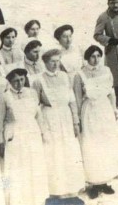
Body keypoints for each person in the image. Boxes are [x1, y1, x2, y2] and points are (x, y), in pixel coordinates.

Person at [31, 49, 86, 199]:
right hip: (49, 118)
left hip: (65, 118)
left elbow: (72, 100)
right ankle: (55, 191)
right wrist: (41, 128)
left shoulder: (64, 77)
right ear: (45, 62)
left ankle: (70, 190)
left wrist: (75, 121)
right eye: (51, 61)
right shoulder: (38, 81)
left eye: (57, 61)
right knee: (53, 153)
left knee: (68, 151)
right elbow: (35, 106)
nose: (55, 64)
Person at [0, 68, 49, 205]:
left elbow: (38, 115)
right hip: (14, 135)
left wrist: (43, 133)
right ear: (10, 82)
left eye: (21, 79)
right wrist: (0, 143)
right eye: (15, 81)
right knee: (15, 168)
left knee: (33, 166)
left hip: (32, 133)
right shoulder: (4, 97)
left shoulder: (32, 93)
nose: (19, 83)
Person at [73, 45, 118, 198]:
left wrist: (114, 109)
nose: (96, 59)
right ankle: (92, 183)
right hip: (90, 112)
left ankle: (104, 181)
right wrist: (77, 117)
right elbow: (78, 98)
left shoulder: (106, 70)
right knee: (91, 145)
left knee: (105, 144)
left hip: (104, 110)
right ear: (87, 58)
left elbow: (111, 92)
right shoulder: (80, 74)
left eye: (98, 55)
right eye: (93, 56)